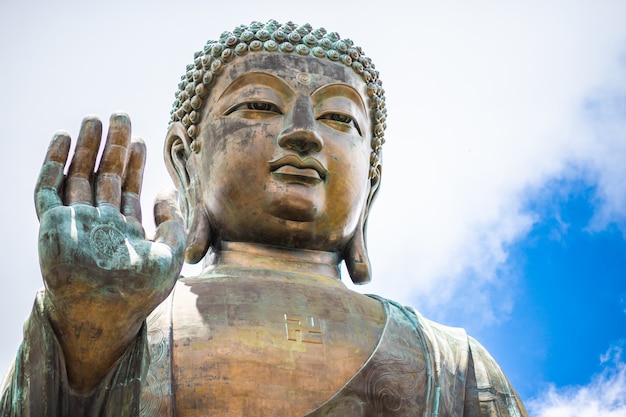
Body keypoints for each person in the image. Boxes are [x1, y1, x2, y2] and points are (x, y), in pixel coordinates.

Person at [0, 20, 528, 416]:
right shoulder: (133, 325)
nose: (304, 133)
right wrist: (82, 332)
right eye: (258, 106)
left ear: (372, 180)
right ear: (187, 158)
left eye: (340, 117)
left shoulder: (454, 364)